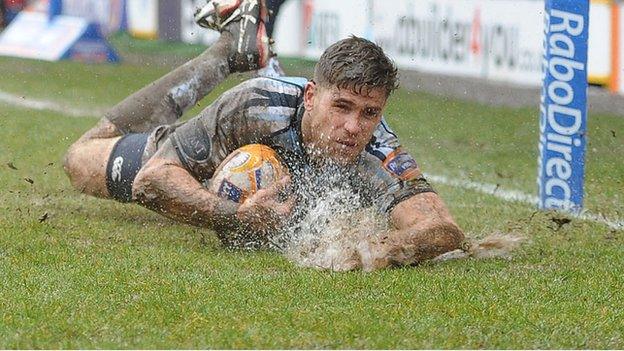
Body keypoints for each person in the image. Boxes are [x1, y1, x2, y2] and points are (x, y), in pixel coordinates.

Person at [63, 0, 464, 269]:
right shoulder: (255, 105)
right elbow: (152, 180)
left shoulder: (378, 149)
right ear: (312, 96)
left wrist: (374, 250)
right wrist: (237, 216)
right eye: (340, 106)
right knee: (79, 160)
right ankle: (225, 56)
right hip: (208, 160)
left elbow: (442, 230)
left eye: (370, 113)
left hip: (274, 144)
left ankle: (255, 48)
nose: (353, 127)